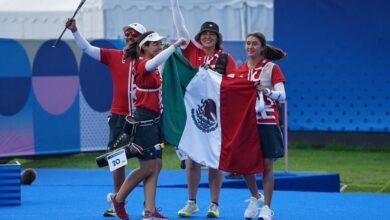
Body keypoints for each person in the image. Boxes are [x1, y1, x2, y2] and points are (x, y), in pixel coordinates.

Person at [65, 18, 148, 217]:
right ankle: (118, 201)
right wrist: (75, 31)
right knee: (117, 161)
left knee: (148, 163)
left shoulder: (150, 60)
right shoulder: (115, 56)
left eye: (133, 34)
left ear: (142, 39)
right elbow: (87, 48)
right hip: (119, 117)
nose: (129, 37)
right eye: (127, 34)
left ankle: (149, 206)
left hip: (143, 117)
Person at [110, 31, 187, 220]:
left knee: (157, 164)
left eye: (160, 43)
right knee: (146, 167)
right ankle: (118, 199)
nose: (159, 46)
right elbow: (155, 62)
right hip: (144, 122)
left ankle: (150, 211)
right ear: (144, 47)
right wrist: (174, 46)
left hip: (154, 122)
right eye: (154, 44)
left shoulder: (153, 65)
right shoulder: (143, 63)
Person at [170, 0, 237, 218]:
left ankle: (214, 204)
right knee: (192, 160)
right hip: (193, 117)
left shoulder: (226, 59)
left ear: (218, 39)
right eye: (204, 34)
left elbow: (234, 86)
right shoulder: (192, 53)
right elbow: (181, 28)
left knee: (215, 161)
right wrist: (174, 3)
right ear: (199, 38)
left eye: (212, 34)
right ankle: (191, 202)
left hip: (218, 119)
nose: (208, 37)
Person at [235, 32, 286, 220]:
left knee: (266, 166)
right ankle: (255, 196)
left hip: (267, 122)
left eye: (254, 44)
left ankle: (266, 208)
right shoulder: (240, 69)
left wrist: (266, 91)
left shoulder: (272, 68)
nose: (250, 47)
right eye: (247, 43)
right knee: (244, 165)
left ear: (262, 47)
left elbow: (282, 95)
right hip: (247, 124)